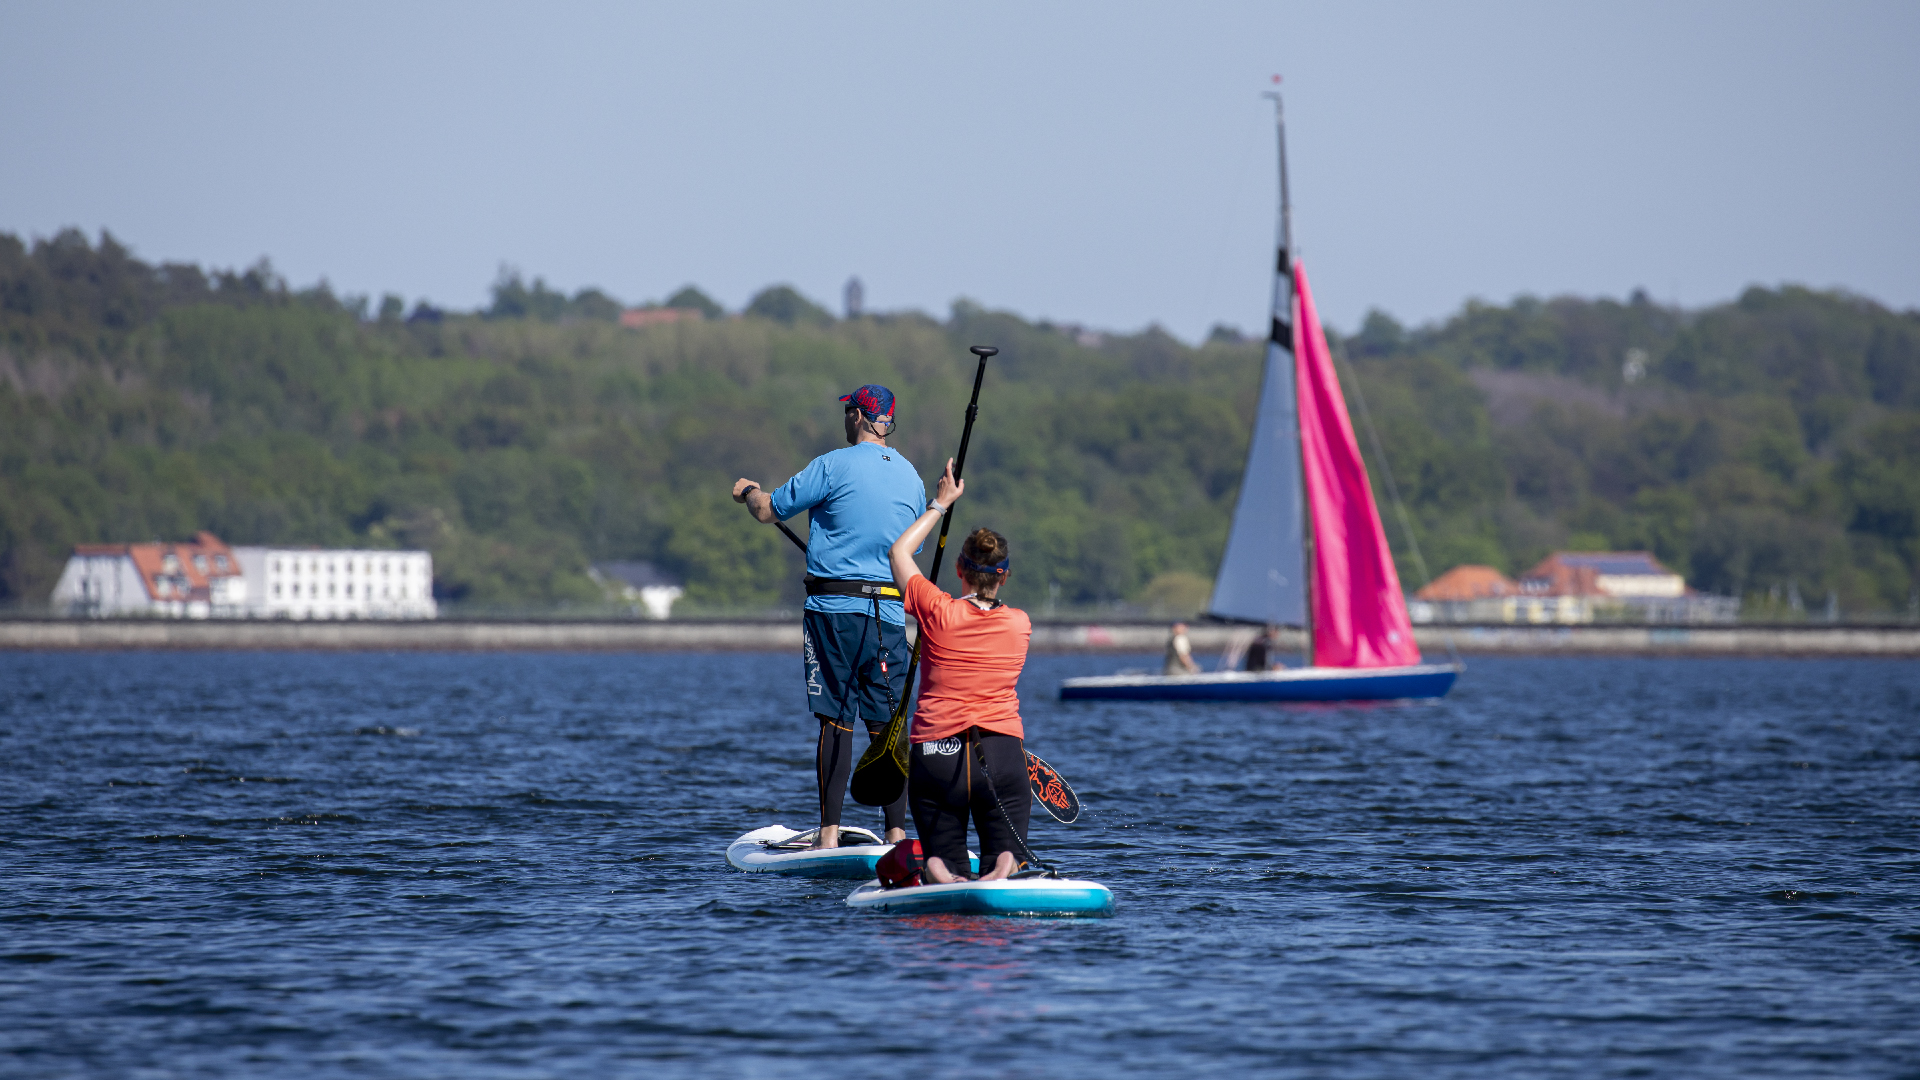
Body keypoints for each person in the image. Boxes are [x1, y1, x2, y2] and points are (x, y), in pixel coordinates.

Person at [733, 385, 924, 849]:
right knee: (886, 725)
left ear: (857, 416)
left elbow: (769, 511)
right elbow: (910, 548)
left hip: (834, 616)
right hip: (888, 618)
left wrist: (749, 492)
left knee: (836, 722)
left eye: (847, 411)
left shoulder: (832, 464)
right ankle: (897, 836)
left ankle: (829, 836)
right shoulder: (913, 478)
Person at [887, 460, 1033, 883]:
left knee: (943, 859)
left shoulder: (937, 610)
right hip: (1002, 754)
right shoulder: (1020, 623)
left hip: (937, 757)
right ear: (1003, 577)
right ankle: (1005, 862)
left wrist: (940, 504)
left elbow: (898, 552)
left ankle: (941, 869)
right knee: (1006, 849)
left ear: (959, 571)